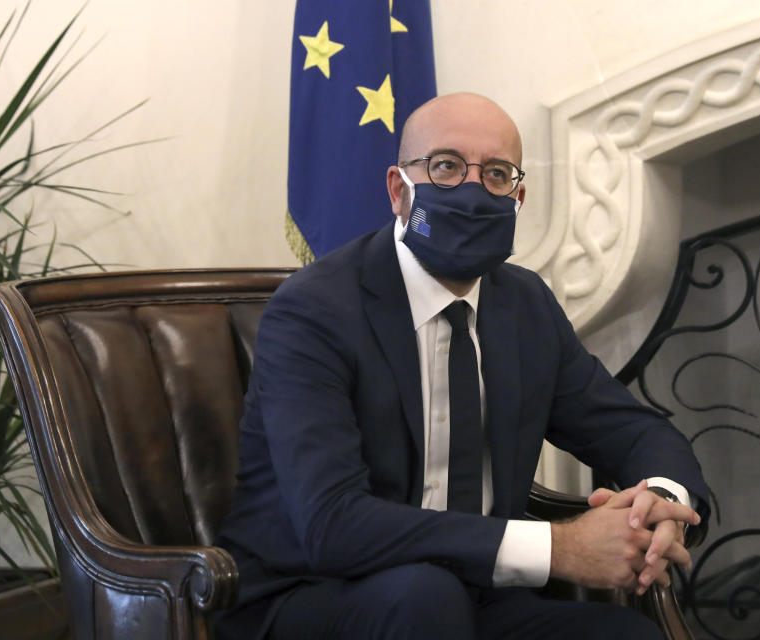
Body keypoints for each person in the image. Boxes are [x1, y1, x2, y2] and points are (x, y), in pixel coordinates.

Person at [215, 92, 709, 640]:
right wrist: (560, 547)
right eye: (446, 167)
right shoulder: (315, 309)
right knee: (424, 598)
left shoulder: (524, 305)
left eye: (496, 174)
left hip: (476, 593)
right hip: (312, 592)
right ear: (398, 189)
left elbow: (632, 430)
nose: (473, 191)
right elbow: (332, 524)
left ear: (518, 197)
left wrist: (660, 503)